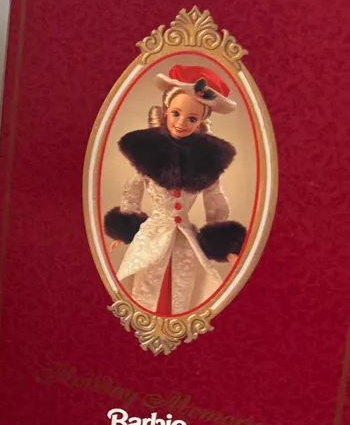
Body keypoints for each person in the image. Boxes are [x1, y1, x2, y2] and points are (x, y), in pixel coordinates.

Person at [104, 64, 248, 316]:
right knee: (146, 285)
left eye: (191, 119)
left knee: (184, 288)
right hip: (152, 236)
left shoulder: (207, 163)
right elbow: (133, 190)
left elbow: (215, 200)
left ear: (200, 123)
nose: (181, 123)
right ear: (165, 112)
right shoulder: (148, 155)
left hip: (184, 240)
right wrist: (124, 228)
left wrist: (224, 246)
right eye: (176, 114)